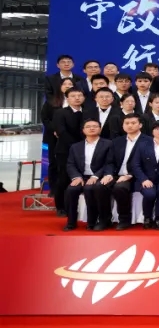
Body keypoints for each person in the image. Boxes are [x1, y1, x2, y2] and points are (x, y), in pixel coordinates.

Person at [62, 120, 114, 231]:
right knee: (71, 190)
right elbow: (70, 164)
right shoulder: (75, 146)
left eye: (95, 126)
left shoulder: (108, 144)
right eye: (88, 126)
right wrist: (77, 177)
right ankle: (71, 222)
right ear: (83, 130)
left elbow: (109, 163)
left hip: (99, 176)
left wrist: (95, 176)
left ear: (100, 129)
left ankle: (92, 222)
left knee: (90, 188)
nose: (92, 128)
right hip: (81, 176)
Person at [51, 87, 87, 215]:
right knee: (64, 178)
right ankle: (61, 207)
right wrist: (77, 146)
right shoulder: (60, 113)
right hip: (65, 150)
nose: (77, 98)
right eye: (73, 96)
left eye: (79, 95)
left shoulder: (88, 113)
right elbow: (61, 131)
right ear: (67, 98)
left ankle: (79, 208)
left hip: (86, 150)